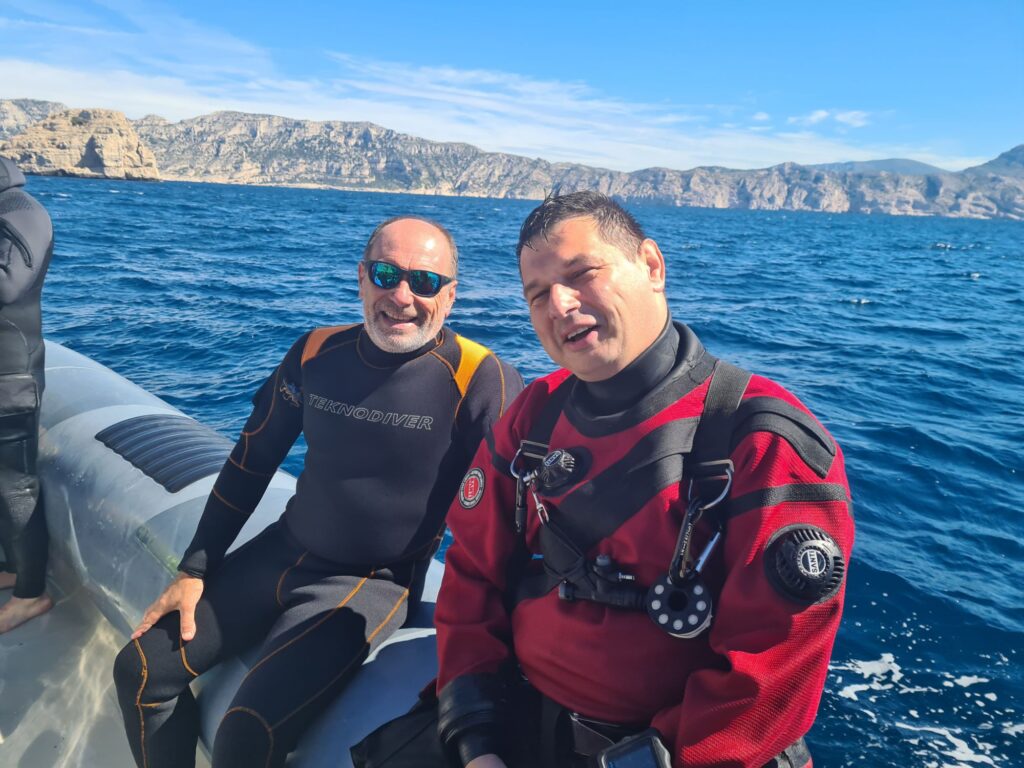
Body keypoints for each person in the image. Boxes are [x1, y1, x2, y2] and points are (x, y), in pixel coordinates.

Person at [353, 192, 853, 768]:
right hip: (514, 722)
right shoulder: (534, 415)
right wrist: (475, 738)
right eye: (537, 293)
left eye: (582, 274)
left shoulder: (763, 441)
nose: (559, 304)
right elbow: (471, 574)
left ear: (652, 266)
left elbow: (765, 683)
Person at [112, 215, 523, 768]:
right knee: (138, 672)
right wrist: (195, 568)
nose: (402, 296)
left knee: (245, 734)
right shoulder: (316, 352)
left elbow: (506, 521)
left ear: (449, 296)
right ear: (361, 277)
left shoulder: (480, 378)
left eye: (424, 282)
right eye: (385, 274)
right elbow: (251, 461)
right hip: (282, 551)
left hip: (369, 584)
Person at [0, 157, 54, 633]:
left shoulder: (22, 211)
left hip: (10, 380)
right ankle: (11, 568)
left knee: (15, 485)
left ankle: (30, 594)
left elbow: (8, 284)